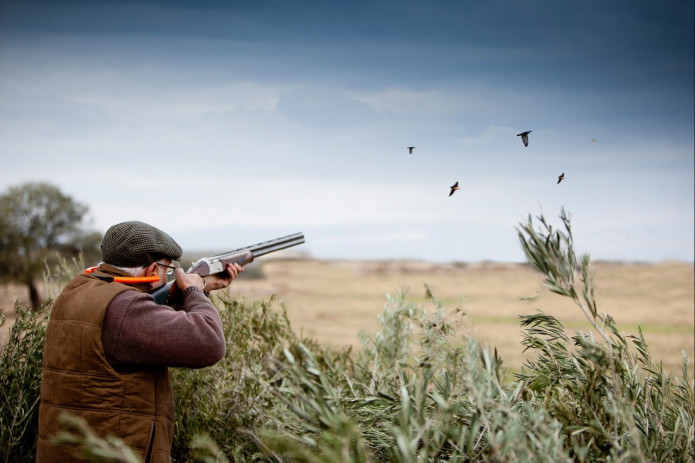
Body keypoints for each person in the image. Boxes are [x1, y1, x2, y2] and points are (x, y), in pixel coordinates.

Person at [36, 221, 243, 463]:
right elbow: (209, 342)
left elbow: (146, 319)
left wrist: (202, 284)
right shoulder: (125, 308)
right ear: (152, 268)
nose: (167, 275)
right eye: (167, 269)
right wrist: (193, 292)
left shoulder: (78, 290)